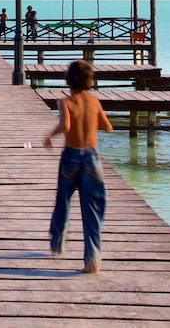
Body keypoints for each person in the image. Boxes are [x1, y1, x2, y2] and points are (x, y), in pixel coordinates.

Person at [43, 60, 113, 274]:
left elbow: (66, 126)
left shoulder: (65, 102)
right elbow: (108, 127)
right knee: (92, 208)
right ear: (90, 82)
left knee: (63, 200)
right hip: (91, 156)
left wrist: (49, 137)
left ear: (68, 80)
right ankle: (92, 258)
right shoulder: (94, 102)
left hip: (71, 155)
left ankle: (58, 244)